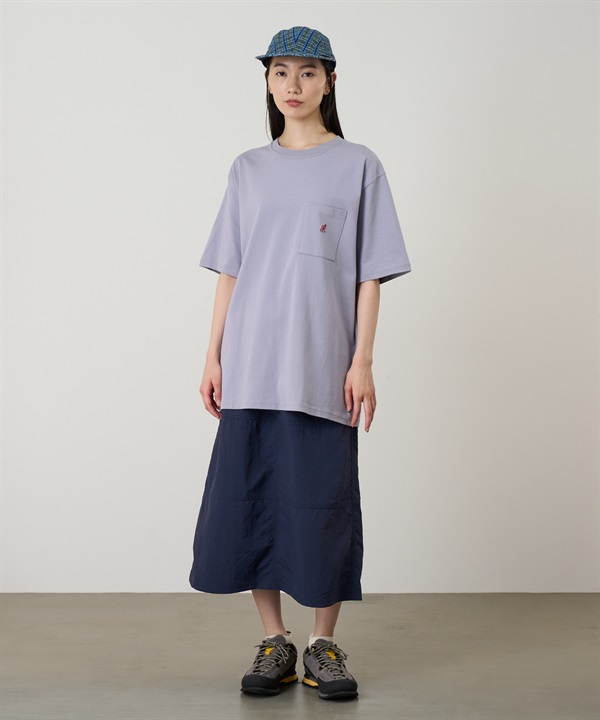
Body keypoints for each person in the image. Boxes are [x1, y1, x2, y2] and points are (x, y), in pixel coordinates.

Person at [189, 25, 412, 701]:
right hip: (252, 364)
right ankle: (275, 642)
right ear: (267, 81)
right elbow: (230, 270)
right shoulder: (247, 169)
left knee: (322, 504)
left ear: (330, 82)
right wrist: (213, 354)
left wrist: (363, 360)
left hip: (321, 365)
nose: (293, 85)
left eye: (307, 72)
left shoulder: (359, 165)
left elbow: (370, 273)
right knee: (253, 500)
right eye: (280, 72)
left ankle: (322, 644)